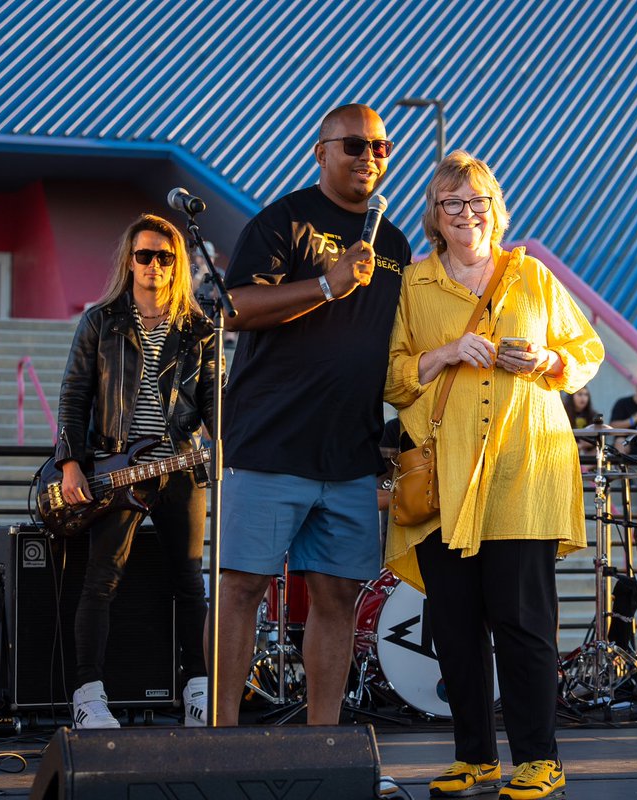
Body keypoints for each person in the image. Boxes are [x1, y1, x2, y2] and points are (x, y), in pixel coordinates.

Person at [384, 151, 603, 800]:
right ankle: (474, 755)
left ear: (495, 208)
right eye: (452, 203)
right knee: (454, 623)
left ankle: (540, 758)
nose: (466, 213)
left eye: (477, 201)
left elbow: (587, 354)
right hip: (446, 477)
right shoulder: (414, 286)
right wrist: (447, 353)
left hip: (524, 470)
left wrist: (547, 359)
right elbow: (393, 376)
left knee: (523, 621)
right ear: (435, 214)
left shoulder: (531, 276)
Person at [212, 104, 412, 731]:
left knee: (337, 598)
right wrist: (326, 286)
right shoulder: (283, 220)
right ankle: (219, 738)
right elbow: (234, 307)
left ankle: (323, 740)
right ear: (321, 152)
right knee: (242, 589)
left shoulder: (396, 243)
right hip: (271, 445)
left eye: (380, 148)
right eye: (354, 146)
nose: (369, 158)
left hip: (349, 454)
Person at [54, 213, 218, 728]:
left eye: (164, 257)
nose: (153, 265)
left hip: (179, 468)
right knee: (101, 580)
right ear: (129, 260)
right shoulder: (100, 321)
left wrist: (227, 447)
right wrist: (72, 463)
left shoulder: (198, 328)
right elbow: (74, 394)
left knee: (189, 581)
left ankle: (198, 690)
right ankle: (87, 696)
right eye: (144, 255)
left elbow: (215, 400)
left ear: (178, 265)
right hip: (114, 470)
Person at [562, 387, 599, 456]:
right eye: (580, 394)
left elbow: (598, 439)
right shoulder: (563, 414)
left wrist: (582, 445)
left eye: (586, 395)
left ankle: (585, 467)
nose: (583, 398)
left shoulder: (593, 415)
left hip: (588, 452)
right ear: (571, 396)